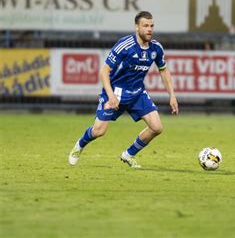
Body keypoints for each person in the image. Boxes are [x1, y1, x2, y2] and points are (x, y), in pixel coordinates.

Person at [68, 11, 179, 168]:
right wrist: (111, 95)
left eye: (152, 26)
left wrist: (172, 96)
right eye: (145, 25)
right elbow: (104, 71)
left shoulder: (156, 48)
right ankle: (79, 145)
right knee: (99, 131)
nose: (149, 29)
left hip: (137, 93)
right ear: (137, 27)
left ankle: (128, 154)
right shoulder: (125, 45)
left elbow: (164, 70)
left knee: (157, 127)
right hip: (116, 92)